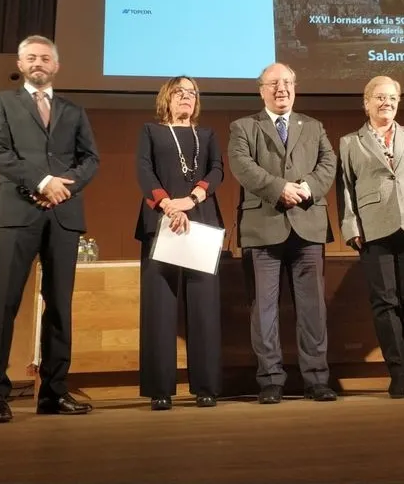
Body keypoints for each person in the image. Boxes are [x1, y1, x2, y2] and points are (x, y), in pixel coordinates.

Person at [0, 35, 100, 423]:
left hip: (63, 216)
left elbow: (90, 159)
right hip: (18, 212)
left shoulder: (73, 110)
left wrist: (63, 187)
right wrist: (41, 181)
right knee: (3, 303)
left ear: (56, 66)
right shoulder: (2, 102)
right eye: (31, 57)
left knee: (60, 306)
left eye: (45, 58)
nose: (38, 63)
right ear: (20, 62)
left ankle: (53, 392)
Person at [228, 62, 338, 404]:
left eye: (288, 82)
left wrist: (306, 188)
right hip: (263, 228)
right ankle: (271, 380)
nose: (282, 89)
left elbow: (328, 163)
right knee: (264, 309)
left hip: (308, 226)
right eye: (274, 83)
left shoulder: (314, 126)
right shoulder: (243, 127)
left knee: (313, 308)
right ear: (261, 90)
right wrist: (279, 188)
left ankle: (317, 378)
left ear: (295, 87)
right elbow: (242, 166)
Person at [338, 76, 404, 399]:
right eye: (379, 97)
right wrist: (351, 227)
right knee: (385, 303)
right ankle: (398, 373)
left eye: (392, 98)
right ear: (366, 103)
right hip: (373, 228)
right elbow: (345, 187)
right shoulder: (349, 142)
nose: (386, 103)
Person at [135, 76, 224, 410]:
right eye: (179, 93)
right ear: (166, 99)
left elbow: (217, 169)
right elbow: (144, 171)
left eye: (192, 93)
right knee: (160, 307)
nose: (186, 98)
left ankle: (206, 387)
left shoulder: (207, 135)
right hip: (161, 222)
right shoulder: (150, 131)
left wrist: (192, 199)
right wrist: (168, 205)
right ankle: (160, 389)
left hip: (201, 221)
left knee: (204, 307)